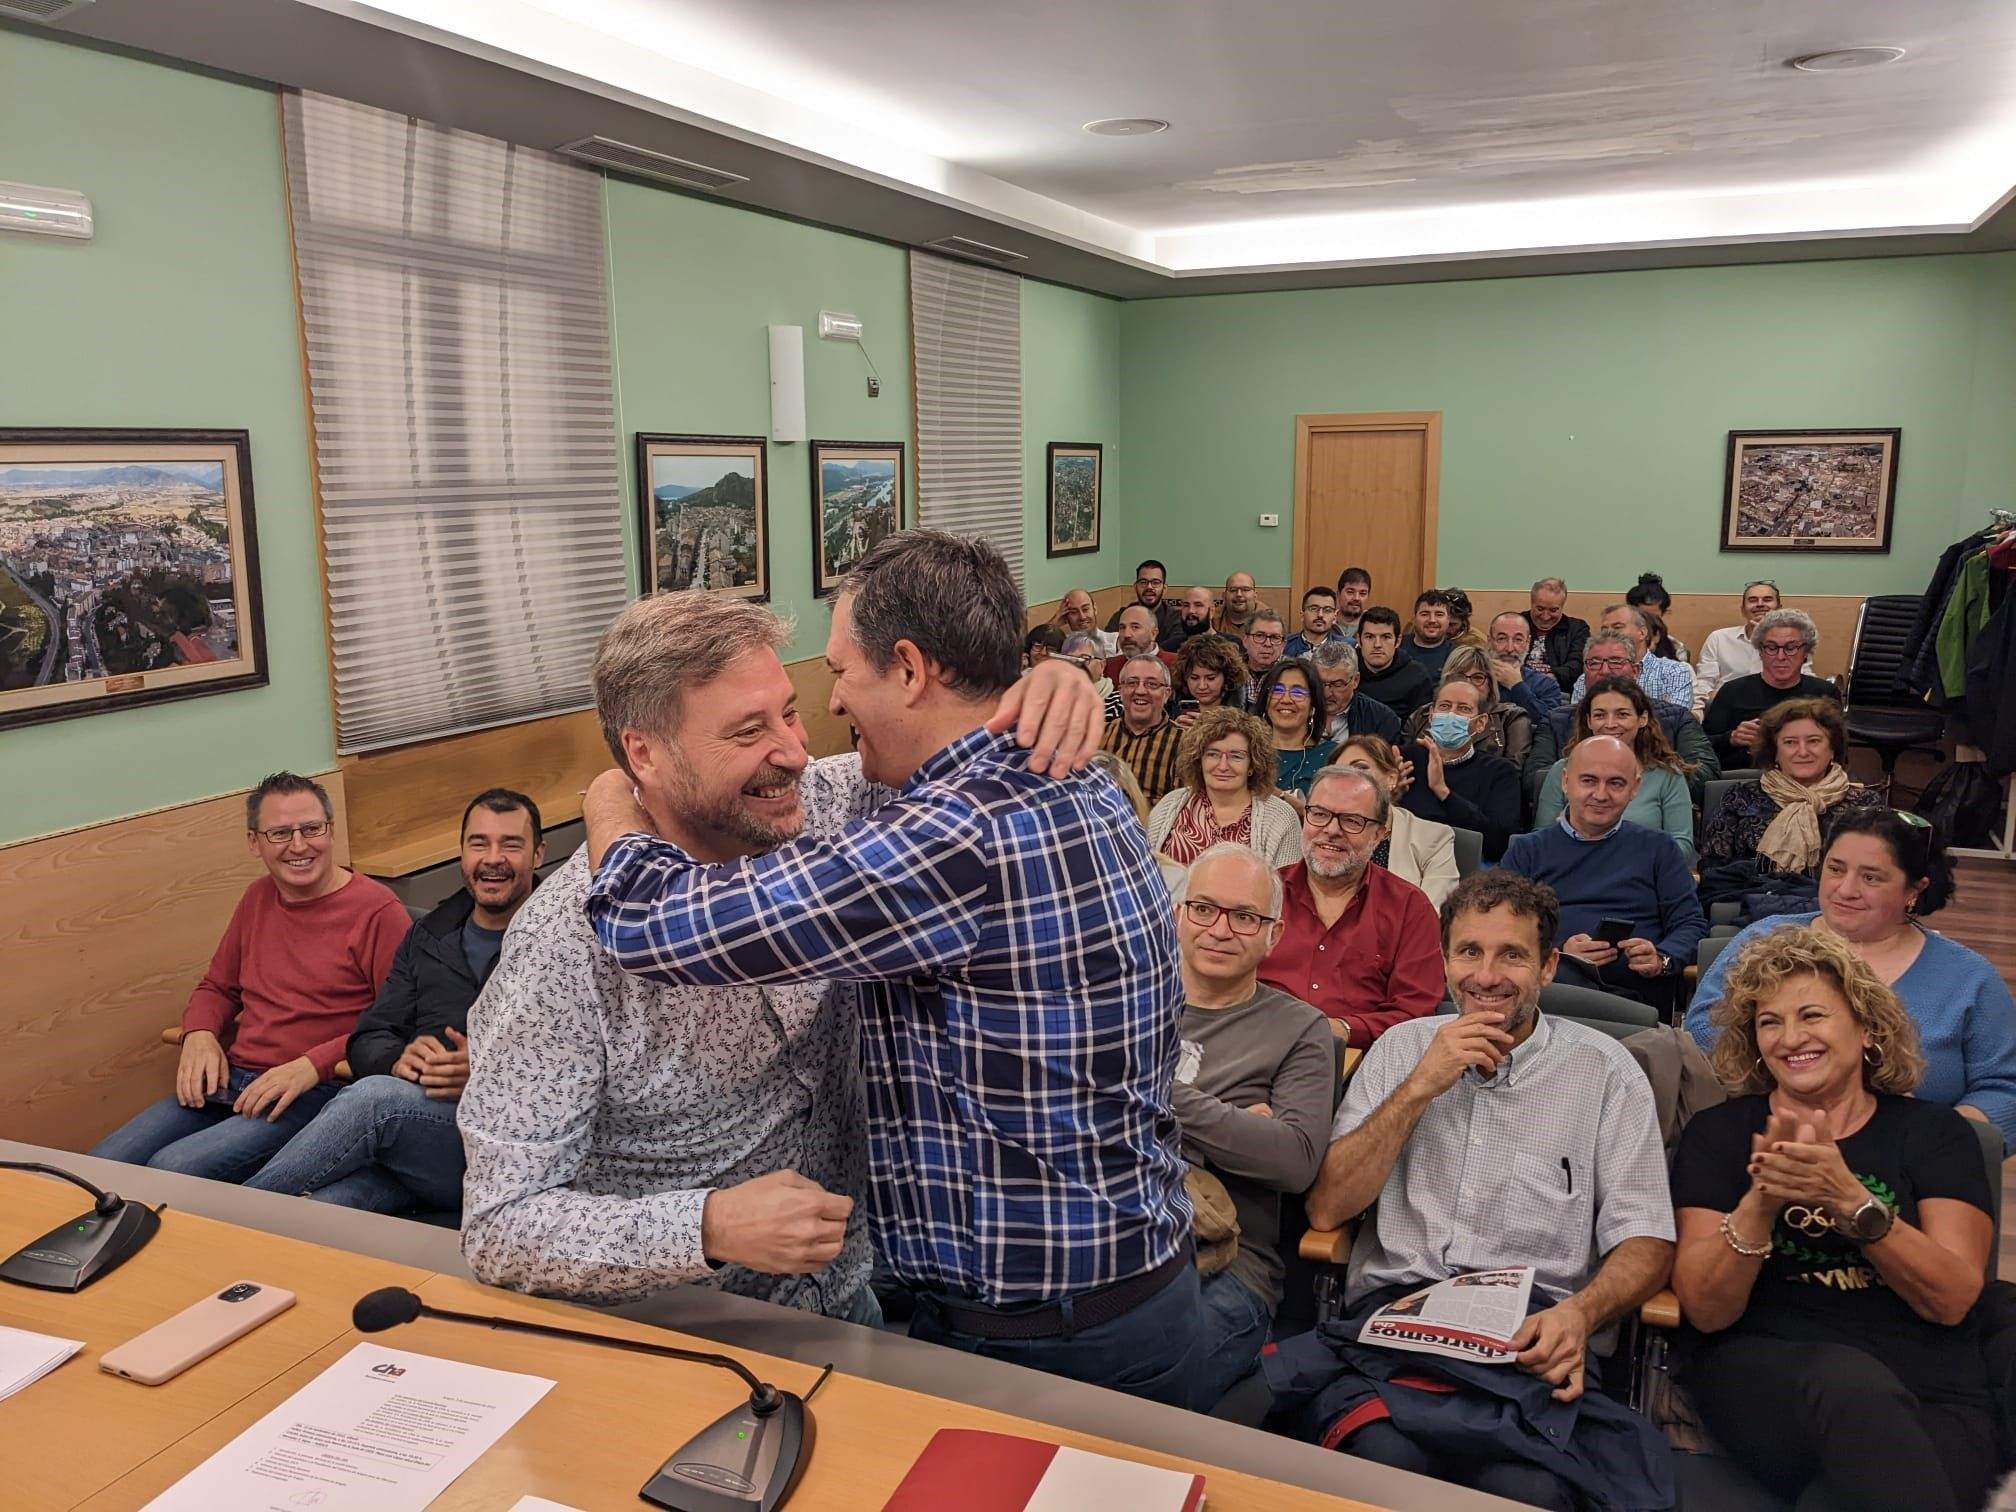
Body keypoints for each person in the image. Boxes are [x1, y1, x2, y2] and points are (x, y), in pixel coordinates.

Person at [581, 531, 1200, 1404]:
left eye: (840, 673)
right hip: (1116, 1289)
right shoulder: (1067, 775)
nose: (830, 704)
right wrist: (1056, 677)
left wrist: (613, 795)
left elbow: (648, 927)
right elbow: (848, 795)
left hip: (1053, 1340)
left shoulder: (956, 835)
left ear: (910, 669)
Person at [1272, 872, 1676, 1510]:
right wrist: (1419, 1086)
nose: (1486, 975)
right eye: (1469, 952)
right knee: (1381, 1462)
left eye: (1511, 955)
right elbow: (1327, 1208)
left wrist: (1581, 1314)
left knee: (1527, 1487)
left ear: (1548, 967)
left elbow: (1647, 1239)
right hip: (1401, 1322)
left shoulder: (1606, 1071)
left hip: (1538, 1332)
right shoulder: (1402, 1050)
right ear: (1444, 961)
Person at [1670, 925, 1998, 1512]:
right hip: (1769, 1375)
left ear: (1867, 1027)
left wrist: (1853, 1204)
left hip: (1929, 1385)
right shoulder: (1719, 1136)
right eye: (1769, 1022)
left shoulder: (1935, 1133)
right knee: (1849, 1385)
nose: (1790, 1038)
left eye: (1813, 1015)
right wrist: (1761, 1200)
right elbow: (1706, 1309)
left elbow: (1951, 1299)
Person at [91, 774, 409, 1181]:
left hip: (312, 1092)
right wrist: (200, 1033)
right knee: (101, 1163)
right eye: (280, 833)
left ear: (330, 831)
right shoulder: (257, 898)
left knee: (173, 1171)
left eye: (312, 829)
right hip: (232, 1081)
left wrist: (314, 1063)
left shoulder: (378, 911)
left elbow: (397, 1022)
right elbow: (218, 987)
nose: (299, 845)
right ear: (254, 842)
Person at [246, 789, 544, 1214]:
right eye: (479, 844)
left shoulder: (567, 938)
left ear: (538, 855)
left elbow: (597, 1062)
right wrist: (399, 1059)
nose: (493, 858)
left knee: (374, 1099)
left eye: (511, 845)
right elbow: (368, 1036)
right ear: (462, 854)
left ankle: (231, 1215)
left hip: (511, 1145)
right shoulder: (428, 934)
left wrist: (488, 1074)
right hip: (421, 1137)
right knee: (323, 1212)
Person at [1687, 808, 2016, 1146]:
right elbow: (1701, 1030)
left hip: (1910, 1163)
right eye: (1835, 869)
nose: (1845, 889)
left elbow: (2006, 1088)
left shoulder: (1970, 978)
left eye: (1871, 877)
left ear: (1914, 891)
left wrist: (1934, 1136)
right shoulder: (1763, 941)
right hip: (1766, 1140)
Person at [1170, 844, 1334, 1407]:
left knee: (1145, 1382)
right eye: (1204, 909)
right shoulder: (1124, 1001)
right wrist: (1234, 1125)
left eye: (1245, 917)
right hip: (1107, 1238)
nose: (1220, 929)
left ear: (1274, 934)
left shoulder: (1301, 1029)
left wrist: (1157, 1094)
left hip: (1227, 1269)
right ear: (1179, 914)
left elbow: (1292, 1160)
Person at [1499, 736, 1707, 1006]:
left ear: (1635, 788)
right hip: (1552, 992)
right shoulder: (1527, 850)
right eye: (1588, 781)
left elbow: (1690, 924)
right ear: (1565, 782)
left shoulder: (1659, 848)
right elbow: (1502, 928)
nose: (1600, 794)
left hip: (1637, 999)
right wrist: (1559, 951)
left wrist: (1661, 958)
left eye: (1615, 783)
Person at [1258, 767, 1444, 1048]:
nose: (1331, 830)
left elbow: (1415, 1012)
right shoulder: (1262, 891)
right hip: (1257, 1046)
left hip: (1357, 1063)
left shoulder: (1410, 908)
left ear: (1379, 834)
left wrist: (1343, 1029)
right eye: (1319, 814)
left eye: (1352, 821)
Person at [1524, 630, 1721, 806]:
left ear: (1635, 671)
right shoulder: (1556, 720)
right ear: (1584, 671)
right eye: (1594, 663)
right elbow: (1535, 780)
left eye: (1616, 662)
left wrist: (1633, 785)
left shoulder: (1676, 717)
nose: (1605, 670)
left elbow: (1706, 775)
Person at [1699, 697, 1882, 872]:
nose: (1802, 752)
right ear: (1775, 753)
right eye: (1790, 742)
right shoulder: (1740, 797)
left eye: (1814, 741)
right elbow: (1712, 868)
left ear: (1833, 750)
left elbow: (1875, 870)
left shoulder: (1864, 805)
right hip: (1751, 899)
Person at [1531, 677, 1698, 864]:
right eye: (1600, 715)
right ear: (1589, 721)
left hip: (1642, 877)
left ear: (1642, 719)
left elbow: (1681, 845)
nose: (1610, 724)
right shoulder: (1562, 770)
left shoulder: (1667, 775)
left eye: (1622, 714)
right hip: (1571, 871)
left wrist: (1623, 863)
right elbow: (1541, 837)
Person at [1147, 708, 1302, 869]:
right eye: (1212, 754)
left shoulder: (1281, 817)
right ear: (1199, 759)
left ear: (1253, 764)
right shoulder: (1169, 805)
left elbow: (1287, 890)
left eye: (1236, 756)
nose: (1222, 766)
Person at [1396, 678, 1522, 860]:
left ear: (1480, 723)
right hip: (1404, 859)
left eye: (1464, 709)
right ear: (1431, 715)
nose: (1451, 715)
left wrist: (1444, 792)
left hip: (1466, 868)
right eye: (1445, 706)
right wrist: (1389, 796)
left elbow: (1498, 843)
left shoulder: (1500, 772)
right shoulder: (1403, 760)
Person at [1702, 607, 1837, 769]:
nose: (1781, 657)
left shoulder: (1824, 694)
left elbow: (1838, 749)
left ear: (1806, 652)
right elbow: (1701, 746)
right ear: (1760, 651)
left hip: (1806, 780)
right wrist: (1731, 737)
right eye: (1771, 648)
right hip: (1742, 779)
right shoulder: (1732, 691)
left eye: (1791, 647)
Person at [1335, 735, 1459, 907]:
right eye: (1338, 773)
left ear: (1391, 779)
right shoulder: (1321, 832)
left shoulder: (1434, 838)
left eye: (1360, 768)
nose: (1348, 779)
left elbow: (1432, 914)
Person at [1400, 644, 1533, 772]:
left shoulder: (1510, 718)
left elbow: (1512, 774)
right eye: (1459, 676)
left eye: (1477, 677)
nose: (1467, 683)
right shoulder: (1422, 715)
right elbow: (1404, 764)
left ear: (1491, 683)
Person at [1693, 580, 1797, 715]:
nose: (1760, 604)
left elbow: (1803, 681)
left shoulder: (1793, 641)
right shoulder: (1718, 638)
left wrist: (1765, 637)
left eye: (1767, 599)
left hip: (1777, 710)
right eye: (1753, 600)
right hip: (1727, 708)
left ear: (1779, 608)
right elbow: (1704, 685)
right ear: (1742, 609)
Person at [1570, 604, 1694, 710]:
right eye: (1604, 629)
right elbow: (1577, 722)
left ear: (1642, 633)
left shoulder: (1674, 672)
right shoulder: (1588, 677)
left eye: (1617, 627)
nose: (1610, 633)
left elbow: (1675, 720)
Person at [1100, 652, 1185, 804]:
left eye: (1152, 684)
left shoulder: (1184, 742)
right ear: (1120, 691)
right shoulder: (1098, 736)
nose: (1140, 691)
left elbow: (1180, 807)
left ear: (1167, 694)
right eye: (1132, 683)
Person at [1261, 656, 1338, 799]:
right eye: (1277, 690)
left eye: (1298, 693)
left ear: (1313, 706)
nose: (1285, 700)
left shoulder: (1333, 756)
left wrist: (1282, 797)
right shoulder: (1247, 750)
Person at [1311, 640, 1400, 745]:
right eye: (1319, 683)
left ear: (1355, 680)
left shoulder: (1382, 719)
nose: (1326, 693)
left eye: (1337, 684)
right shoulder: (1299, 709)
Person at [1356, 606, 1435, 721]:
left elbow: (1419, 728)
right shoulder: (1345, 669)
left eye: (1386, 637)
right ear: (1359, 640)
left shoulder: (1417, 675)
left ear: (1398, 641)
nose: (1377, 644)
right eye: (1369, 637)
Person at [1484, 611, 1565, 720]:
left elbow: (1551, 725)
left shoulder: (1546, 685)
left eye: (1518, 640)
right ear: (1489, 641)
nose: (1510, 649)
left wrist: (1517, 686)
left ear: (1528, 642)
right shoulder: (1474, 678)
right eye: (1502, 639)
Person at [1172, 630, 1251, 726]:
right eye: (1194, 678)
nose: (1202, 686)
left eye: (1210, 678)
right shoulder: (1170, 708)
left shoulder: (1246, 715)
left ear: (1227, 677)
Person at [1524, 576, 1589, 691]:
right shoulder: (1516, 623)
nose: (1545, 616)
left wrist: (1550, 678)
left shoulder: (1577, 629)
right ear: (1531, 602)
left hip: (1559, 692)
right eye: (1540, 609)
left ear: (1562, 606)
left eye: (1553, 610)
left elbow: (1577, 665)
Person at [1105, 558, 1183, 647]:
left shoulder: (1175, 618)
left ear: (1164, 588)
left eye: (1155, 582)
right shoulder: (1121, 616)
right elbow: (1109, 647)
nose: (1149, 587)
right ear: (1135, 587)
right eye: (1143, 582)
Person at [1101, 603, 1176, 682]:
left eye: (1135, 627)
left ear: (1153, 633)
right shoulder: (1108, 667)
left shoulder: (1176, 665)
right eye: (1122, 628)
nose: (1126, 634)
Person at [1060, 630, 1123, 724]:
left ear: (1102, 665)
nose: (1077, 665)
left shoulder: (1119, 703)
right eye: (1071, 660)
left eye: (1085, 659)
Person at [1625, 572, 1689, 662]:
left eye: (1653, 617)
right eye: (1642, 616)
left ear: (1663, 614)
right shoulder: (1616, 644)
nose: (1647, 622)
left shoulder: (1676, 648)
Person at [1400, 589, 1456, 678]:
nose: (1432, 620)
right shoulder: (1397, 647)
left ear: (1448, 619)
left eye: (1439, 614)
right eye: (1425, 614)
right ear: (1414, 618)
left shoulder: (1456, 655)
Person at [1238, 609, 1289, 705]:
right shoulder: (1231, 670)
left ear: (1283, 645)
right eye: (1260, 636)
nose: (1267, 643)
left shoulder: (1293, 672)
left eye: (1275, 637)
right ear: (1245, 641)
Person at [1285, 584, 1348, 659]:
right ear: (1302, 615)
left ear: (1334, 617)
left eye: (1327, 610)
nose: (1320, 615)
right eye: (1314, 609)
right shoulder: (1285, 645)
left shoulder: (1347, 647)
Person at [1053, 586, 1115, 658]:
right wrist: (1055, 621)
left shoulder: (1114, 640)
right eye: (1074, 612)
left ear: (1095, 609)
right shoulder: (1062, 644)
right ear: (1065, 616)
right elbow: (1039, 644)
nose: (1082, 617)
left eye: (1085, 609)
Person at [1215, 571, 1265, 638]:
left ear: (1255, 595)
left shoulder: (1270, 620)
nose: (1239, 594)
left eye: (1245, 590)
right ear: (1224, 595)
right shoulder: (1212, 619)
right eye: (1233, 590)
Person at [1334, 566, 1372, 644]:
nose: (1356, 598)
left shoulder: (1374, 626)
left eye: (1362, 593)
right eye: (1350, 592)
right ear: (1338, 594)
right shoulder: (1326, 623)